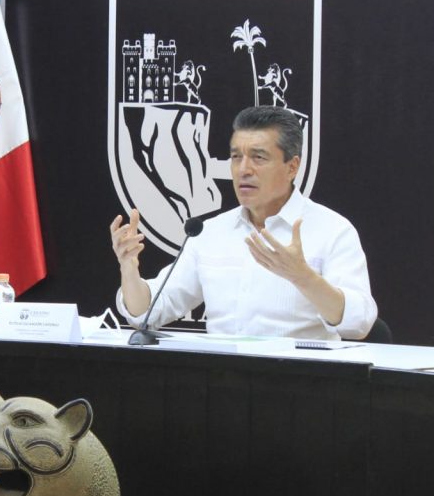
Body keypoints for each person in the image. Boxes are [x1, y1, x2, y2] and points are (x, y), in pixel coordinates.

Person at [109, 106, 377, 340]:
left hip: (300, 386)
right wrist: (129, 268)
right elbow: (148, 311)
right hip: (219, 384)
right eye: (236, 157)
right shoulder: (211, 232)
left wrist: (302, 276)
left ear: (292, 167)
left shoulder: (332, 230)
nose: (243, 169)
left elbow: (359, 323)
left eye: (259, 157)